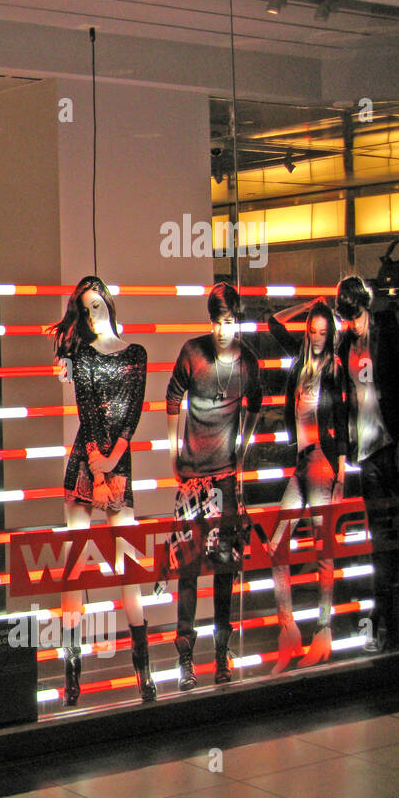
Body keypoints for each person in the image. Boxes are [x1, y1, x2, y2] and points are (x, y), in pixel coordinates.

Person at [49, 276, 153, 703]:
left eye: (97, 305)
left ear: (108, 302)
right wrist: (98, 464)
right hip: (86, 463)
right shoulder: (83, 355)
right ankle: (72, 671)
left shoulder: (136, 354)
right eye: (85, 308)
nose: (93, 314)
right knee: (75, 565)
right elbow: (86, 409)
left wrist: (114, 459)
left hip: (117, 462)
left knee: (128, 569)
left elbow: (134, 409)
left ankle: (143, 671)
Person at [165, 282, 263, 689]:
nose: (222, 329)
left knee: (224, 567)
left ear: (237, 321)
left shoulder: (247, 364)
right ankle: (186, 659)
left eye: (228, 321)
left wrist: (241, 450)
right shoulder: (193, 352)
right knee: (188, 568)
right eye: (216, 321)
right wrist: (173, 452)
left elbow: (256, 403)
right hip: (191, 476)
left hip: (224, 475)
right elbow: (172, 397)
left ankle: (221, 654)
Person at [267, 299, 351, 673]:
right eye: (312, 331)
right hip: (300, 463)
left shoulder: (334, 367)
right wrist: (307, 306)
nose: (316, 337)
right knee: (275, 546)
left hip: (322, 462)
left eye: (322, 331)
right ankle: (290, 630)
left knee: (323, 549)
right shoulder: (300, 363)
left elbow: (345, 419)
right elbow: (272, 322)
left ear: (329, 333)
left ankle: (323, 631)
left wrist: (342, 471)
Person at [335, 275, 399, 652]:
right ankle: (388, 627)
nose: (353, 323)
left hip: (390, 445)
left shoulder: (386, 331)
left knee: (393, 539)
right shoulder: (344, 342)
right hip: (365, 452)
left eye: (356, 315)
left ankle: (389, 624)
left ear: (365, 306)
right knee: (379, 541)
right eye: (348, 318)